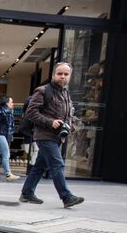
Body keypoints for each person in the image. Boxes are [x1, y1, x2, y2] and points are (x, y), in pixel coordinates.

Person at [19, 62, 84, 208]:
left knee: (39, 167)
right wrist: (50, 122)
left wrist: (69, 126)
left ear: (70, 76)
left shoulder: (65, 93)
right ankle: (66, 197)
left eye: (66, 74)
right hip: (44, 134)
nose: (63, 77)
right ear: (54, 74)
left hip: (57, 136)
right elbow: (31, 112)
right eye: (59, 73)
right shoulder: (43, 91)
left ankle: (27, 193)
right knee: (57, 164)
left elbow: (67, 114)